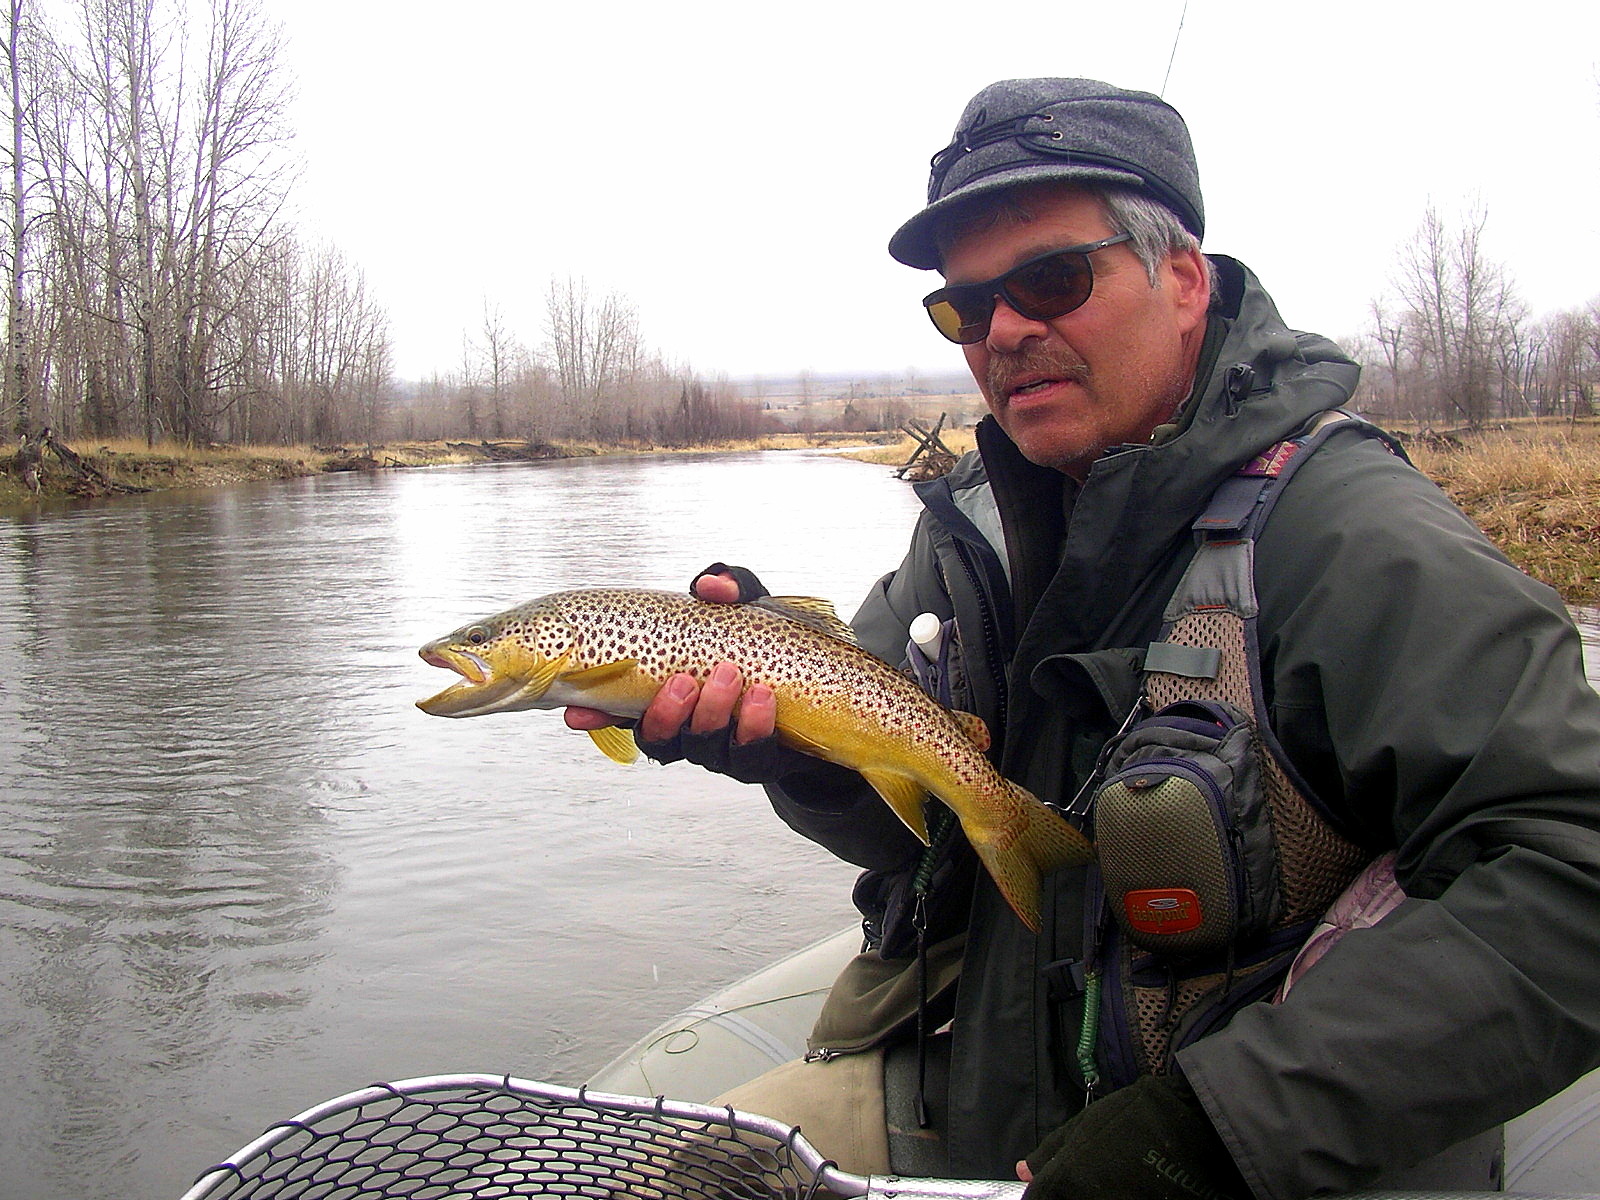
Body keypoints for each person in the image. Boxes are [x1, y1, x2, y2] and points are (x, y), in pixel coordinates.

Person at [566, 77, 1600, 1200]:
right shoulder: (968, 532)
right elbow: (896, 835)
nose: (1005, 331)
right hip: (977, 1105)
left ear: (1185, 279)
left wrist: (1213, 1130)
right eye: (964, 306)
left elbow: (1571, 874)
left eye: (1053, 279)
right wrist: (784, 752)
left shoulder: (1351, 537)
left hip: (1261, 1155)